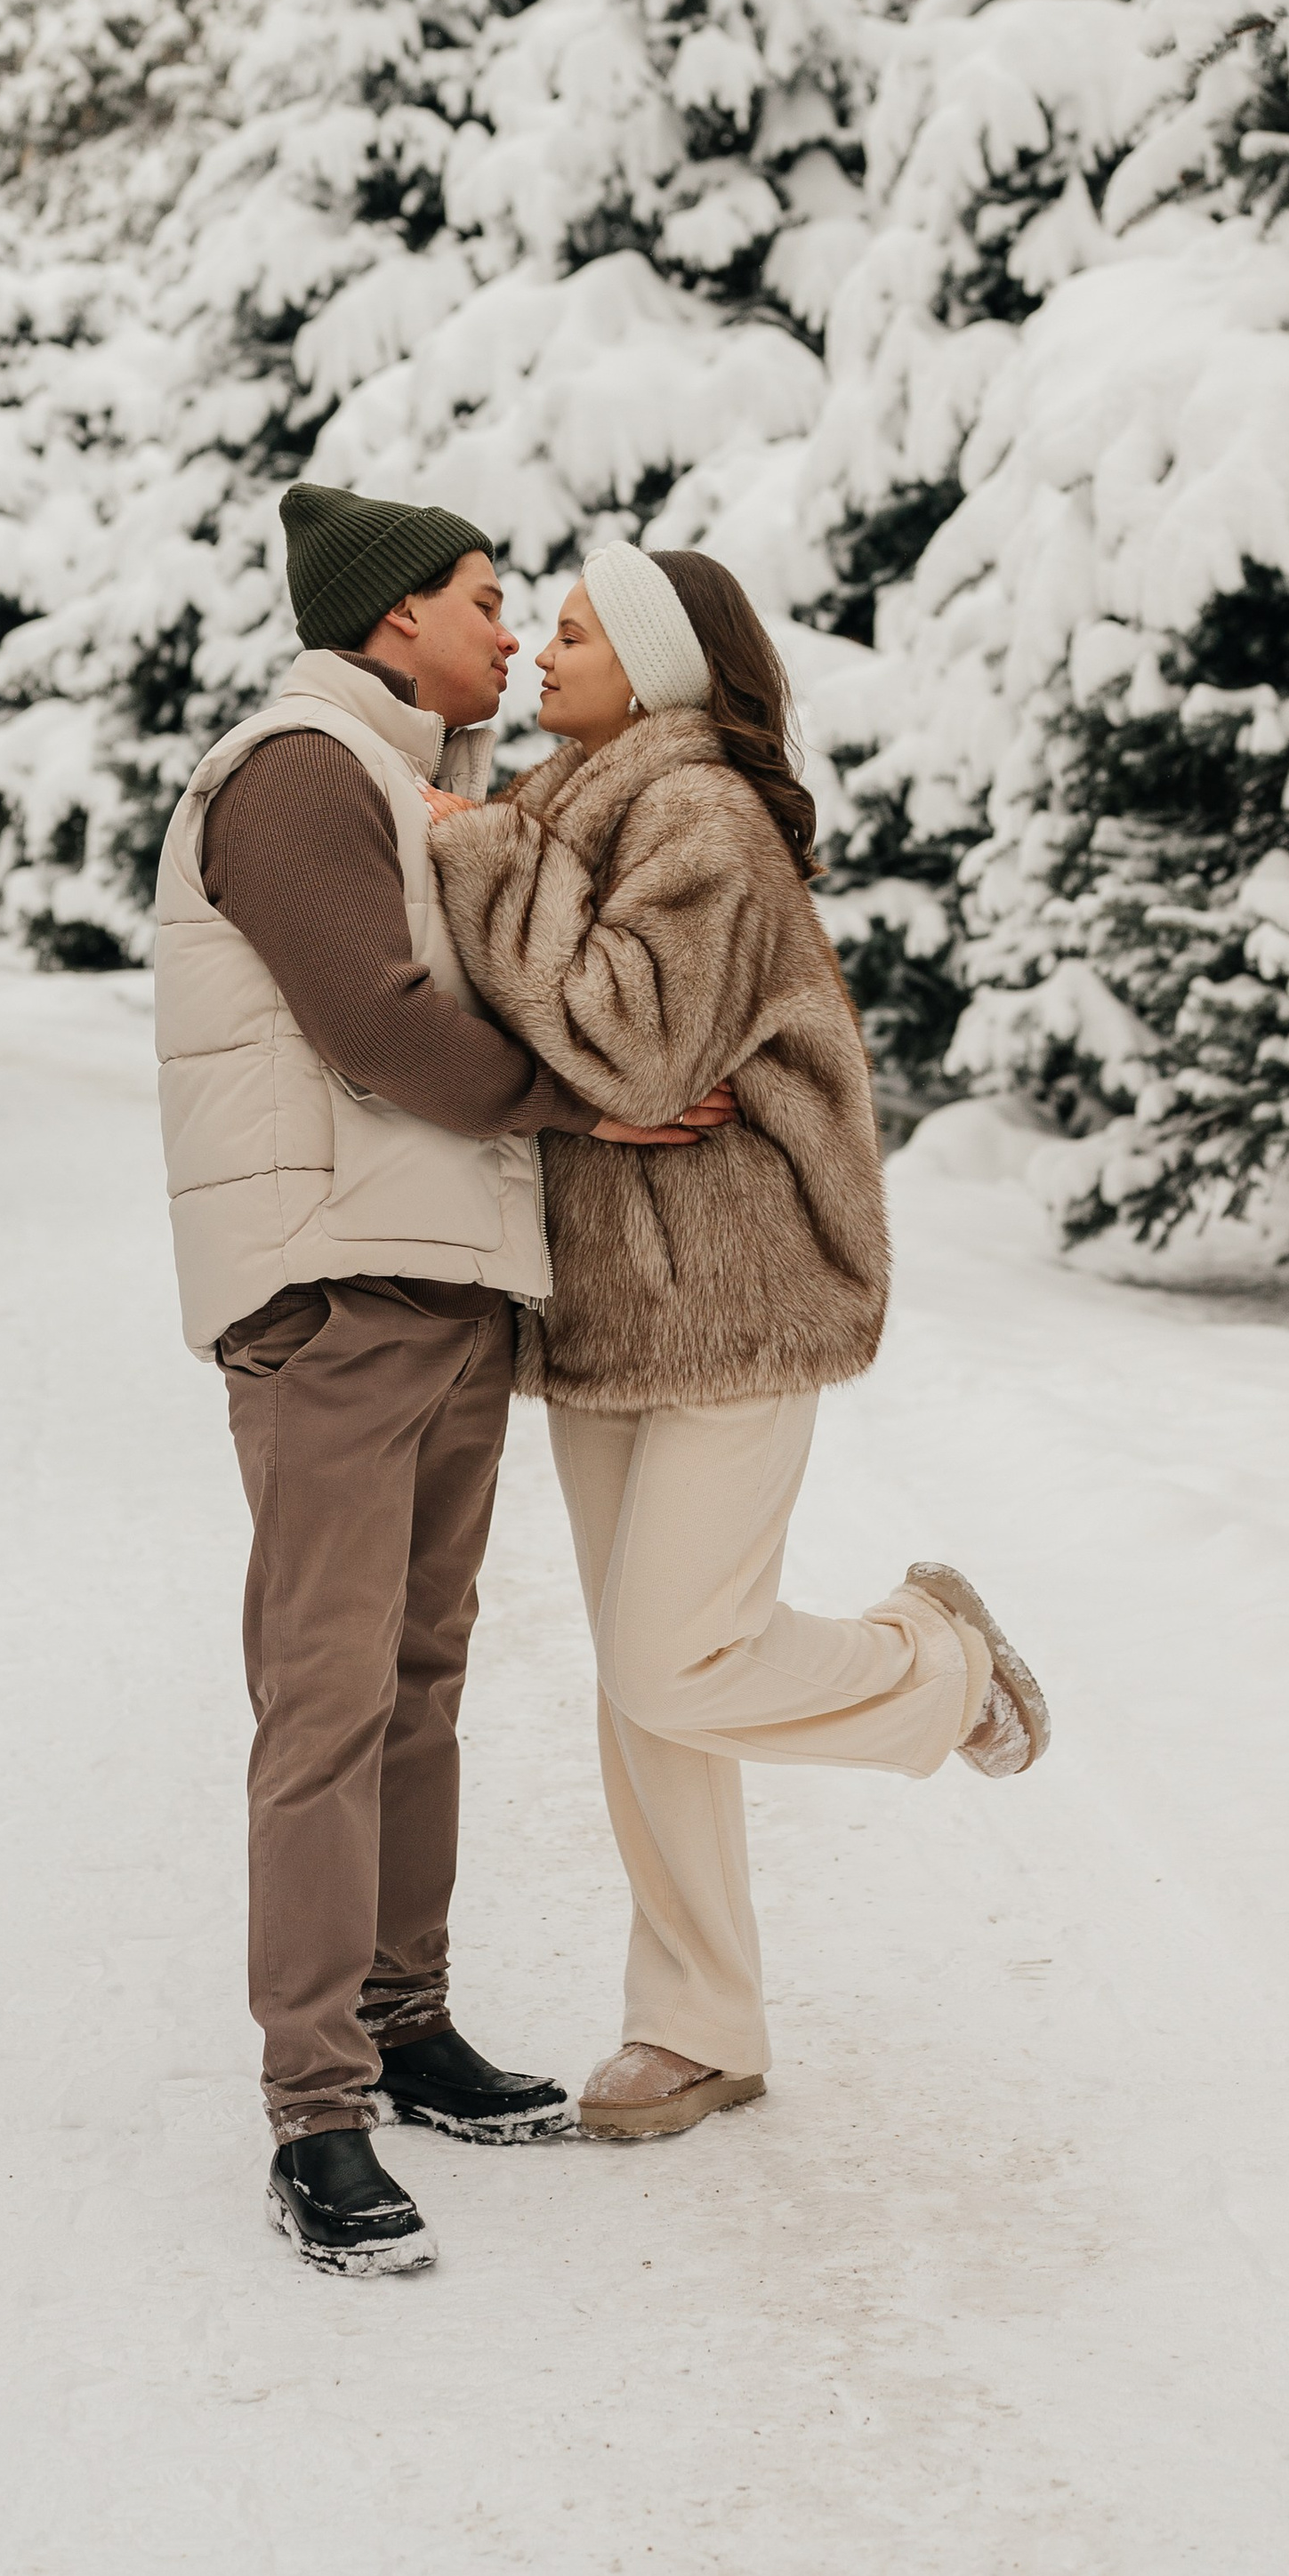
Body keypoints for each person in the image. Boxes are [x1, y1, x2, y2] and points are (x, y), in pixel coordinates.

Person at [151, 485, 730, 2274]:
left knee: (417, 1676)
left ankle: (405, 2022)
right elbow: (383, 1026)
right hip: (332, 1289)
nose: (509, 632)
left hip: (445, 1278)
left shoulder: (402, 781)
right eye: (483, 600)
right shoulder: (294, 767)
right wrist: (593, 1100)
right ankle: (313, 2107)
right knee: (326, 1697)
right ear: (388, 617)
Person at [424, 541, 1050, 2142]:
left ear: (656, 668)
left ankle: (942, 1665)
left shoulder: (693, 810)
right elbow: (566, 1038)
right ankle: (697, 2024)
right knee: (650, 1694)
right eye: (542, 628)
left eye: (572, 634)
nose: (541, 655)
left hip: (734, 1288)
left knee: (671, 1656)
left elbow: (628, 1038)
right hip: (604, 1302)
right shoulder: (576, 802)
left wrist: (484, 854)